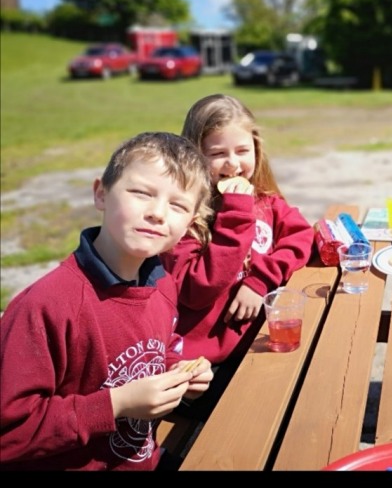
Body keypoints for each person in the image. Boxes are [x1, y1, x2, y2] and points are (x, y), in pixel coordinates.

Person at [0, 132, 214, 471]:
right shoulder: (45, 306)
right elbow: (9, 433)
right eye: (141, 193)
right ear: (101, 193)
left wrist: (178, 370)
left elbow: (159, 347)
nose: (158, 213)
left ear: (190, 222)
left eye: (178, 205)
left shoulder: (161, 283)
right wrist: (116, 404)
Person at [163, 94, 313, 369]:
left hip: (259, 342)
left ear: (256, 149)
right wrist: (235, 214)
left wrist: (260, 280)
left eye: (242, 151)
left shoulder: (265, 202)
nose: (232, 164)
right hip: (204, 363)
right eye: (217, 154)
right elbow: (197, 291)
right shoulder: (185, 218)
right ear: (193, 156)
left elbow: (302, 236)